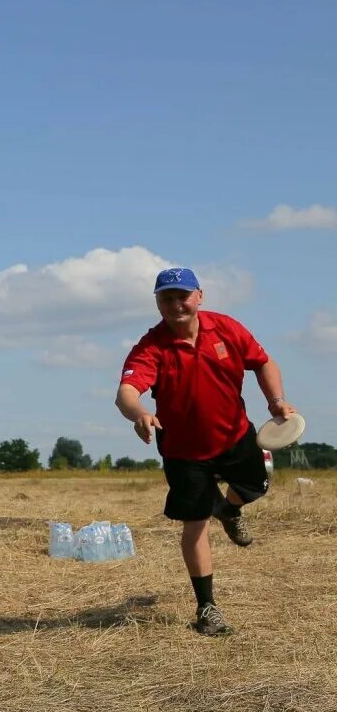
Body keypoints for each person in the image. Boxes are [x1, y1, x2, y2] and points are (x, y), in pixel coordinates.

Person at [116, 267, 296, 636]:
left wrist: (276, 401)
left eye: (183, 296)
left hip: (236, 437)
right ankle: (207, 607)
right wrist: (140, 414)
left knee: (257, 487)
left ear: (200, 296)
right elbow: (127, 392)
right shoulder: (151, 347)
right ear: (157, 303)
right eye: (166, 298)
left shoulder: (227, 329)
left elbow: (263, 362)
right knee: (195, 523)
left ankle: (228, 509)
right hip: (184, 453)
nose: (176, 304)